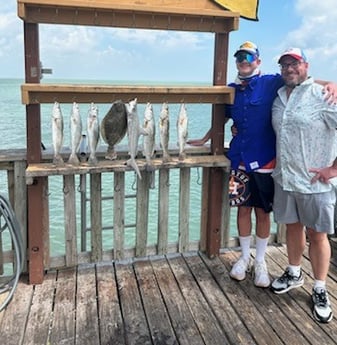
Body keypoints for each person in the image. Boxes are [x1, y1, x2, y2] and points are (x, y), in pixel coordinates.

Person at [187, 41, 337, 289]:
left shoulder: (271, 82)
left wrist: (332, 84)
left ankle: (261, 261)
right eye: (239, 57)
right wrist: (204, 139)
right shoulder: (232, 90)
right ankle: (245, 258)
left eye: (248, 56)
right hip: (240, 160)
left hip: (267, 162)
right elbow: (221, 119)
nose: (243, 61)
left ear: (258, 60)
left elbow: (303, 80)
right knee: (243, 210)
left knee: (262, 213)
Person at [270, 47, 337, 324]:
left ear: (306, 66)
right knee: (293, 229)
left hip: (315, 183)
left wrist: (333, 168)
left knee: (318, 236)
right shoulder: (278, 98)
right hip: (285, 179)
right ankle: (294, 272)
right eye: (285, 64)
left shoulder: (323, 95)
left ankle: (320, 288)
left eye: (294, 63)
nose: (289, 68)